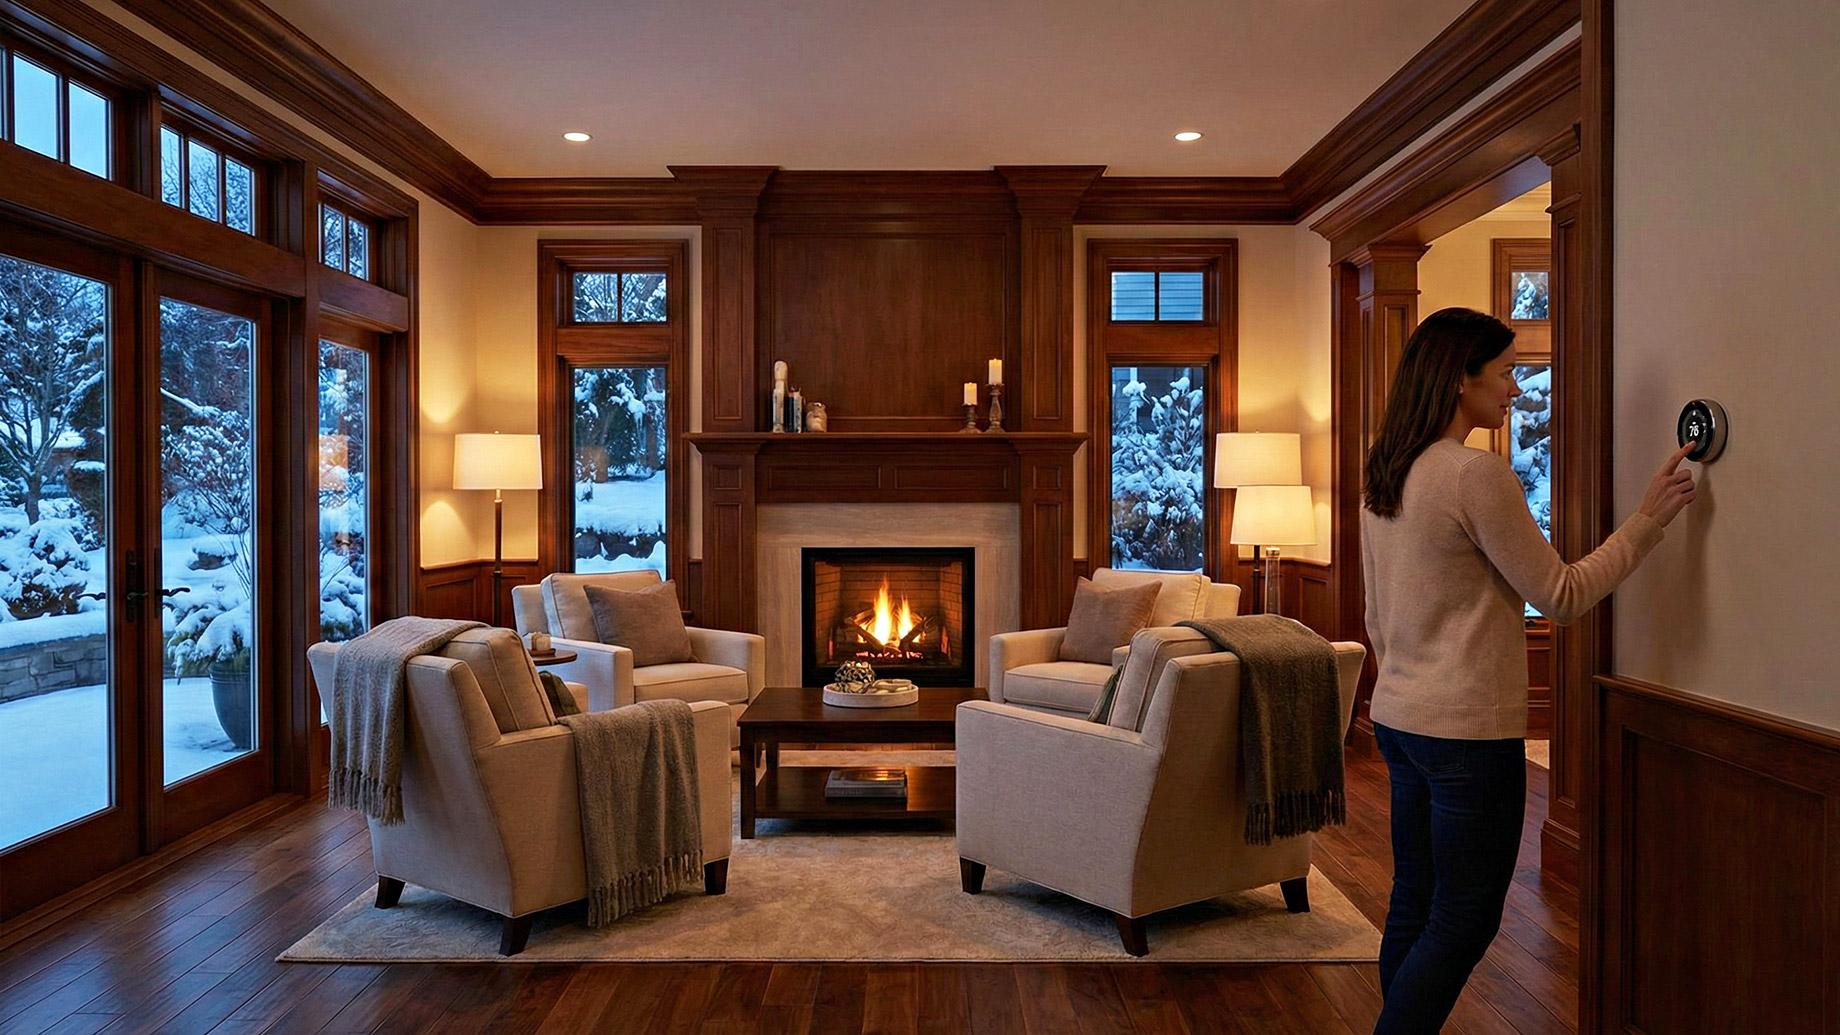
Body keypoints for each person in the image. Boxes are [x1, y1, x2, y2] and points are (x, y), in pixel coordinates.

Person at [1359, 307, 1696, 1033]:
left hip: (1398, 719)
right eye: (1507, 371)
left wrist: (1408, 683)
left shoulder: (1386, 467)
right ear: (1461, 379)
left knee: (1414, 901)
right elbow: (1563, 593)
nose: (1517, 387)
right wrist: (1649, 521)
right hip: (1465, 737)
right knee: (1465, 920)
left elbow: (1375, 615)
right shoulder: (1475, 474)